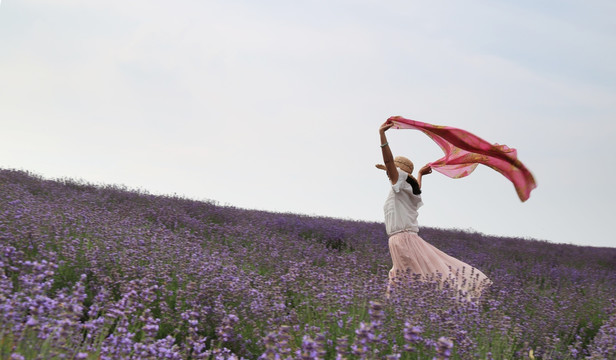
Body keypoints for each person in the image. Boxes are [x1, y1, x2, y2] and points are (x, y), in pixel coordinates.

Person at [377, 120, 491, 299]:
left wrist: (382, 136)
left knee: (412, 278)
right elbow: (417, 187)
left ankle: (438, 306)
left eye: (389, 171)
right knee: (416, 274)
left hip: (401, 240)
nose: (387, 173)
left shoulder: (398, 182)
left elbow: (388, 161)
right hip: (407, 238)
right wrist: (420, 175)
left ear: (398, 172)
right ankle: (394, 309)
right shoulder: (409, 190)